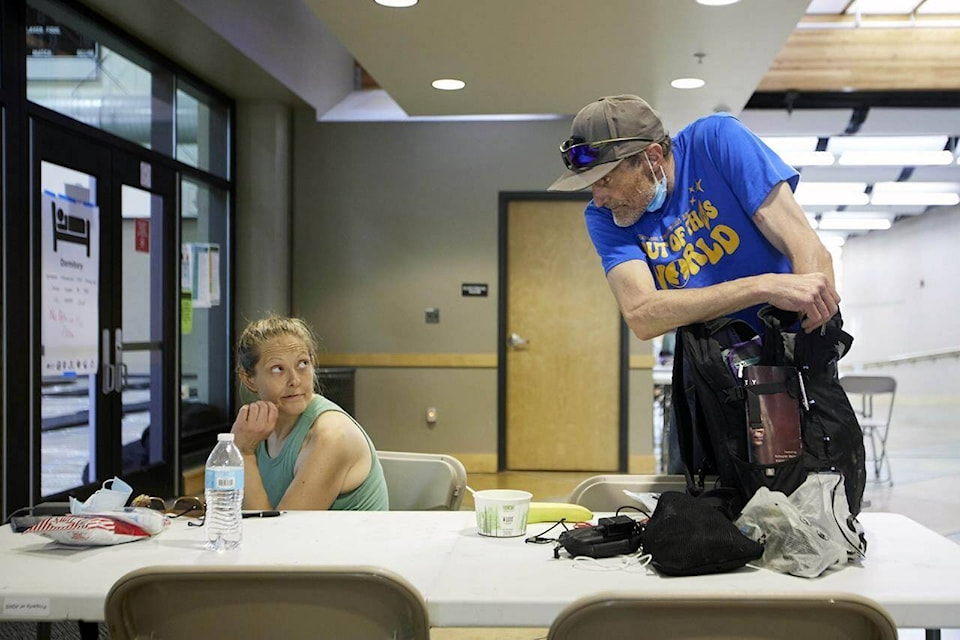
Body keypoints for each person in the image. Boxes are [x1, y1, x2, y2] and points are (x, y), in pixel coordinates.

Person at [548, 94, 840, 339]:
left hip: (783, 338)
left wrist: (811, 341)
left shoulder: (716, 141)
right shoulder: (605, 216)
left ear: (651, 157)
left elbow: (806, 248)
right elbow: (642, 315)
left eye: (606, 181)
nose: (597, 198)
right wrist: (763, 286)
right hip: (710, 369)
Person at [231, 315, 389, 510]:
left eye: (303, 364)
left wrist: (244, 453)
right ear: (249, 379)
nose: (295, 380)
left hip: (340, 541)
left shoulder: (332, 435)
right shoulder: (256, 429)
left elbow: (279, 534)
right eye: (278, 369)